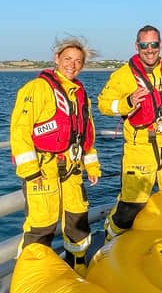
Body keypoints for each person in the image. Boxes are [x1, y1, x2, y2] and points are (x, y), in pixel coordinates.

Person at [10, 37, 101, 276]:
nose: (72, 65)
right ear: (57, 59)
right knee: (41, 226)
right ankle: (31, 276)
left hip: (72, 172)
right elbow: (20, 131)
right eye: (68, 59)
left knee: (77, 222)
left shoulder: (80, 94)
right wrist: (31, 171)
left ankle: (78, 266)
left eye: (78, 61)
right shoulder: (37, 89)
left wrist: (92, 167)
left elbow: (85, 135)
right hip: (43, 171)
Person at [98, 24, 162, 241]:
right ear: (137, 45)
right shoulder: (122, 75)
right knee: (131, 206)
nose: (150, 49)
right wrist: (127, 102)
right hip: (140, 151)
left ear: (161, 45)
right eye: (144, 45)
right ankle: (110, 239)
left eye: (154, 44)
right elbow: (103, 105)